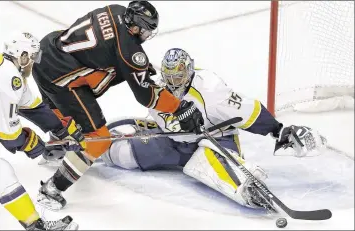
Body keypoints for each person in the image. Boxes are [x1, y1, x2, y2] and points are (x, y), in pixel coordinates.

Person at [100, 48, 327, 210]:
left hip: (218, 137)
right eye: (168, 76)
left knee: (208, 158)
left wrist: (279, 130)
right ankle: (86, 150)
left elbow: (249, 111)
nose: (173, 82)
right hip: (174, 142)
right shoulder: (159, 89)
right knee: (121, 155)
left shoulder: (211, 89)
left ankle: (246, 188)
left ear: (188, 71)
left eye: (178, 76)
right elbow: (166, 122)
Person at [32, 1, 204, 211]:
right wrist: (178, 108)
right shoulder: (130, 50)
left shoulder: (117, 10)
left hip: (46, 51)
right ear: (134, 28)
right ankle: (51, 189)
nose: (147, 36)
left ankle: (57, 146)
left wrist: (133, 69)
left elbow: (106, 48)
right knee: (97, 139)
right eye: (146, 31)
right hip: (59, 77)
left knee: (63, 114)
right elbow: (146, 96)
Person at [0, 32, 81, 230]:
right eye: (32, 58)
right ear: (22, 55)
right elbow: (9, 137)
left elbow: (34, 108)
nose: (33, 63)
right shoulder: (9, 78)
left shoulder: (10, 71)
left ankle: (35, 226)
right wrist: (30, 142)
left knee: (2, 174)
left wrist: (63, 130)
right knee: (1, 173)